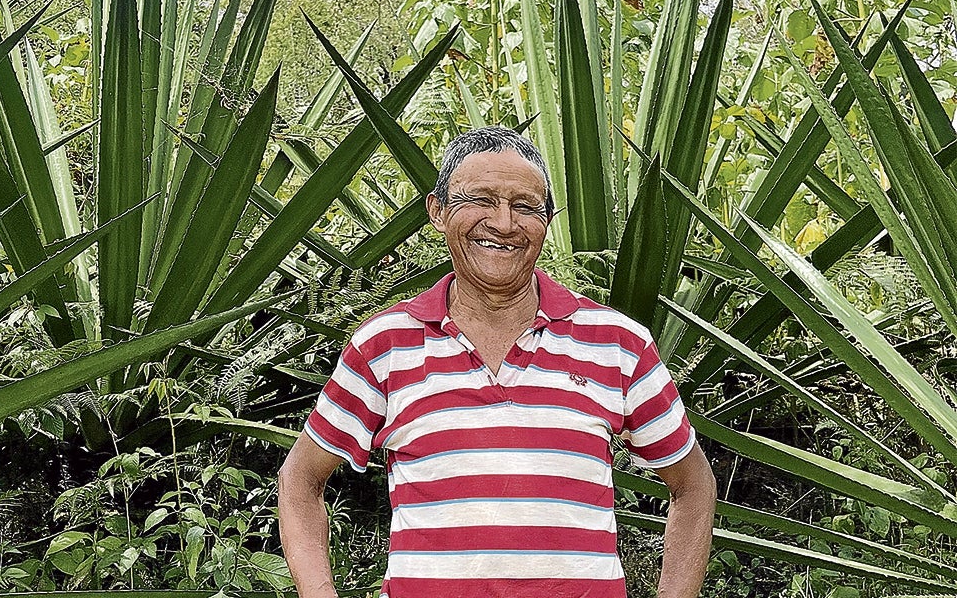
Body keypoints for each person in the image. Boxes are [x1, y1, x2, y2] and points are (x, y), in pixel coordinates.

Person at [278, 126, 717, 598]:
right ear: (437, 210)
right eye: (481, 200)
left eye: (526, 206)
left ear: (547, 221)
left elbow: (693, 486)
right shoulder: (384, 344)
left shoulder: (618, 342)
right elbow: (299, 480)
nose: (504, 223)